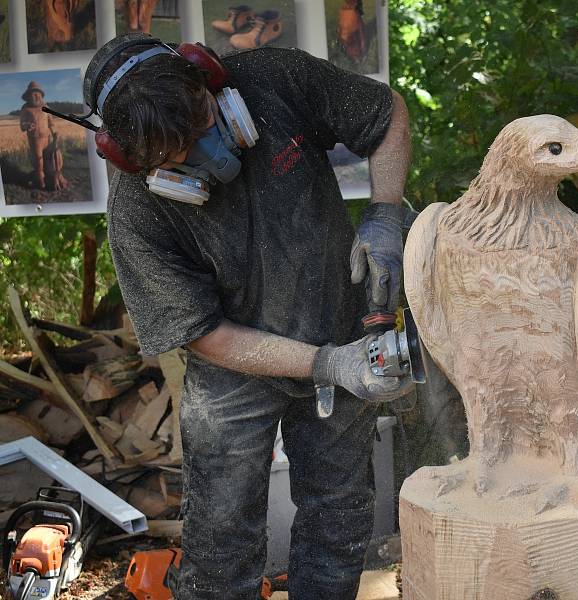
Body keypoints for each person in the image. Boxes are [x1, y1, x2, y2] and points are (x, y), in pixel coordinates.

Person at [83, 33, 414, 599]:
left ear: (208, 78)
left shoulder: (274, 81)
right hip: (235, 372)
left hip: (340, 326)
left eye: (207, 123)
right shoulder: (139, 212)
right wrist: (327, 365)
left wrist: (384, 214)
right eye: (177, 154)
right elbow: (204, 335)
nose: (208, 152)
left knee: (338, 522)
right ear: (128, 157)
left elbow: (386, 116)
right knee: (221, 542)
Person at [19, 81, 57, 190]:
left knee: (49, 159)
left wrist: (55, 133)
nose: (36, 95)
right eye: (33, 93)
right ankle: (41, 183)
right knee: (39, 161)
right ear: (28, 96)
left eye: (38, 93)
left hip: (47, 138)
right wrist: (26, 125)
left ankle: (50, 179)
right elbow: (22, 126)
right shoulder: (25, 109)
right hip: (35, 140)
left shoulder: (46, 107)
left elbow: (51, 123)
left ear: (41, 94)